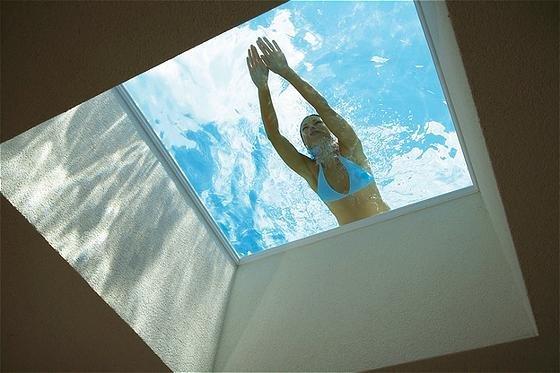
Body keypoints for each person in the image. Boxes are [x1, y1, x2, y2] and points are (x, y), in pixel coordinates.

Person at [246, 36, 390, 225]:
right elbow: (274, 135)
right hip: (354, 241)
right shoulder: (311, 172)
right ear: (305, 143)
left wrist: (286, 72)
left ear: (330, 130)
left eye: (317, 123)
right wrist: (263, 87)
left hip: (389, 225)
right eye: (305, 128)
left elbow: (323, 108)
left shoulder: (351, 148)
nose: (311, 127)